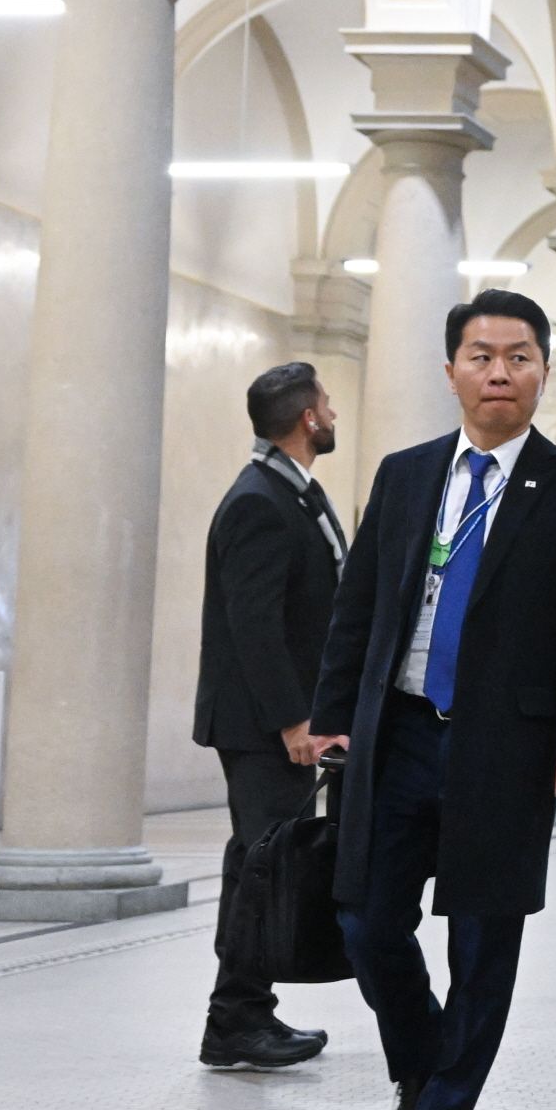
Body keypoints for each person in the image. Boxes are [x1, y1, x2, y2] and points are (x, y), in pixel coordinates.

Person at [307, 289, 556, 1110]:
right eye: (482, 355)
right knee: (367, 918)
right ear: (451, 371)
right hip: (397, 730)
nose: (499, 372)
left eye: (519, 356)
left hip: (504, 747)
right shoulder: (406, 476)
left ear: (543, 371)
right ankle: (425, 1071)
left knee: (484, 938)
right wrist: (333, 711)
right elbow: (359, 603)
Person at [191, 361, 344, 1070]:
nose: (334, 413)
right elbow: (253, 625)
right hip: (261, 728)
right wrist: (292, 721)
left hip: (278, 720)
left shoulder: (290, 491)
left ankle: (242, 1013)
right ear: (307, 419)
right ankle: (236, 1019)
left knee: (259, 863)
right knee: (260, 864)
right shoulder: (260, 499)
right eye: (328, 405)